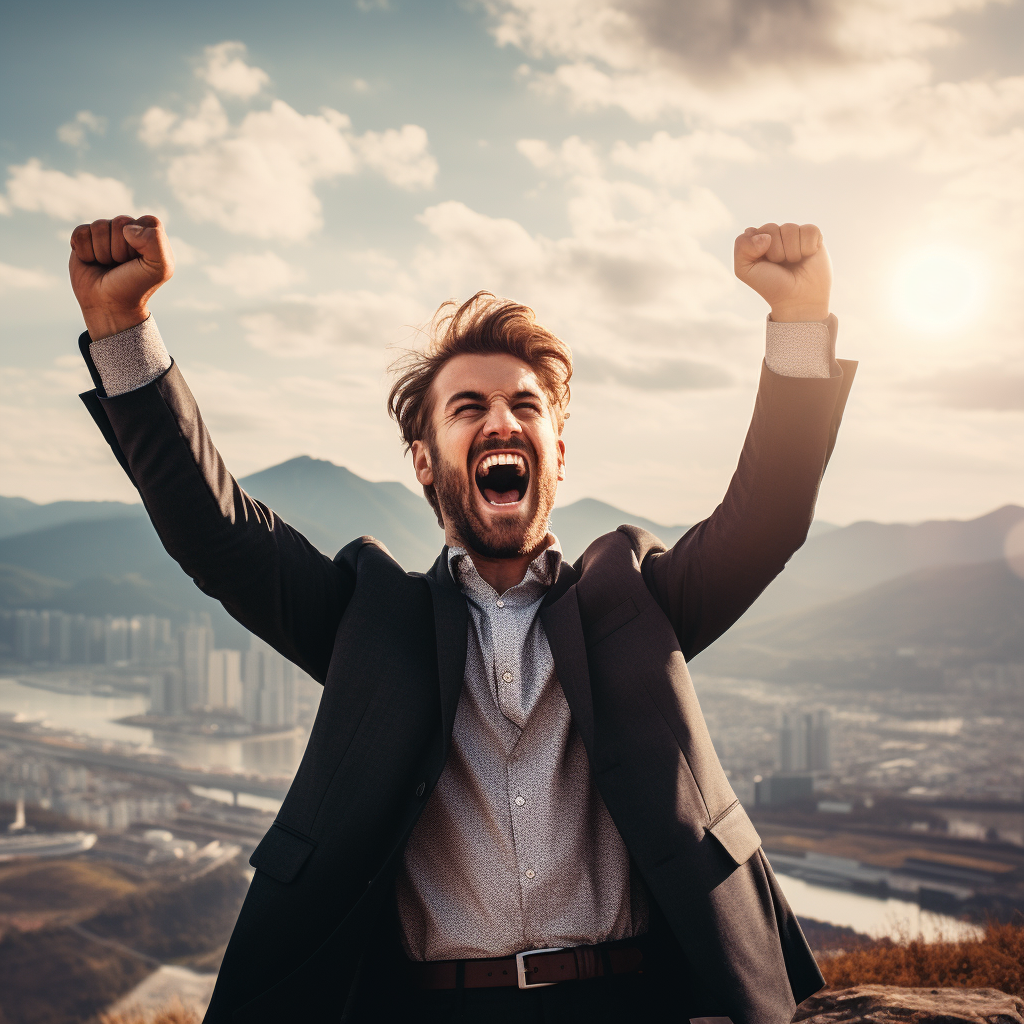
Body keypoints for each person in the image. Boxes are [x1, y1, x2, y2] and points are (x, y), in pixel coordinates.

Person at [69, 213, 855, 1024]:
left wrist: (797, 324)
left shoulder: (636, 599)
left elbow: (768, 518)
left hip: (634, 1004)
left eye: (525, 405)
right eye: (467, 407)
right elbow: (220, 535)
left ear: (556, 450)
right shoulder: (370, 619)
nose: (500, 421)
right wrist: (123, 333)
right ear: (423, 459)